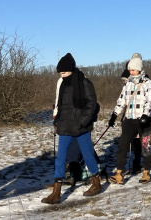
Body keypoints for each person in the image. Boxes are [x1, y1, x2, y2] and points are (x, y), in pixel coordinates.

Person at [42, 53, 101, 204]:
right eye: (60, 73)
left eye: (64, 73)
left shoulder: (84, 82)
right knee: (60, 157)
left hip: (81, 128)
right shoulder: (62, 84)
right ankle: (57, 192)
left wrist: (81, 122)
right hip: (65, 127)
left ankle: (96, 181)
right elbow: (60, 104)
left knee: (88, 155)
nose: (62, 76)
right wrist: (57, 120)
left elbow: (91, 105)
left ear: (71, 70)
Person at [108, 53, 151, 184]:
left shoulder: (148, 83)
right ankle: (119, 173)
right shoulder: (128, 84)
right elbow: (122, 100)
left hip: (143, 120)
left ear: (139, 69)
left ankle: (146, 171)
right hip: (129, 118)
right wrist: (114, 114)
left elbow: (150, 101)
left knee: (145, 146)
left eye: (133, 70)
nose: (131, 72)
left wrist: (146, 114)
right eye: (130, 70)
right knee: (122, 145)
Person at [119, 67, 142, 174]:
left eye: (125, 80)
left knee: (137, 142)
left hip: (139, 118)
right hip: (128, 117)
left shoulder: (141, 84)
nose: (124, 82)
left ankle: (137, 164)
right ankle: (130, 164)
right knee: (129, 142)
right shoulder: (126, 88)